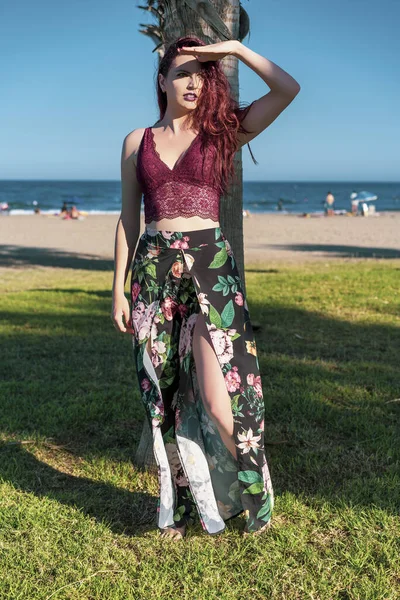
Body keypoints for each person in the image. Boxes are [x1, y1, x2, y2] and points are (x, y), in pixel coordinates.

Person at [111, 36, 300, 539]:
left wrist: (236, 49)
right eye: (182, 72)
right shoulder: (137, 142)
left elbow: (288, 89)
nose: (193, 81)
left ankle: (255, 495)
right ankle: (180, 506)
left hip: (210, 271)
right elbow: (129, 220)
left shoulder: (222, 133)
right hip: (152, 275)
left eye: (202, 72)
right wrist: (118, 290)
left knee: (222, 399)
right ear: (161, 80)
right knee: (164, 397)